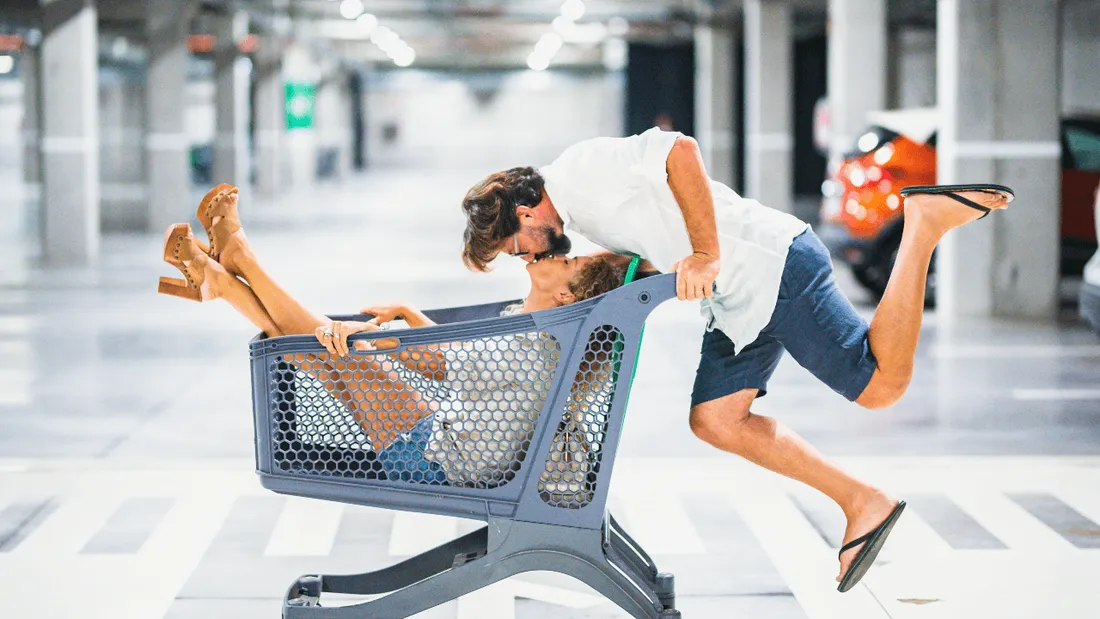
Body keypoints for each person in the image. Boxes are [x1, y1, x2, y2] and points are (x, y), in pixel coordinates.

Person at [458, 128, 1013, 591]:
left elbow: (679, 150)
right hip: (737, 297)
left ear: (527, 212)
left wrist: (705, 253)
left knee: (880, 385)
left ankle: (921, 225)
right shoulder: (578, 211)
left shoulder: (580, 172)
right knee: (716, 419)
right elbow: (645, 244)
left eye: (516, 246)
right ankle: (863, 501)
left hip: (770, 269)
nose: (525, 255)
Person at [157, 185, 646, 487]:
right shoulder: (534, 333)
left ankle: (239, 262)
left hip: (433, 463)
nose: (561, 253)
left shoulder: (535, 351)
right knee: (331, 352)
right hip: (447, 444)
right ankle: (222, 281)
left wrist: (368, 336)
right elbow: (457, 357)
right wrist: (407, 316)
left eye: (573, 263)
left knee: (339, 348)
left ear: (567, 299)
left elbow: (435, 364)